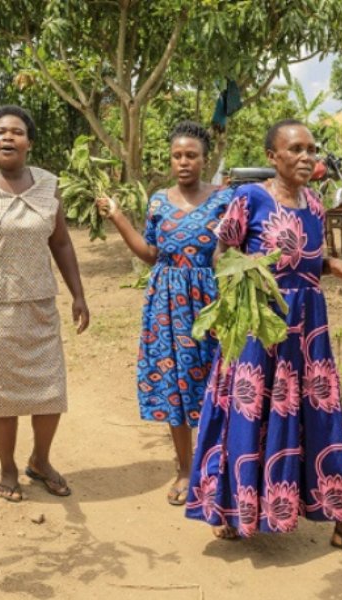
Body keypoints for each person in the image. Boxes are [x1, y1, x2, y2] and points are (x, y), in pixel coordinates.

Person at [185, 119, 342, 566]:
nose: (306, 156)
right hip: (260, 329)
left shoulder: (315, 205)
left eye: (311, 149)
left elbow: (304, 264)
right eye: (295, 149)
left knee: (321, 418)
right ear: (273, 156)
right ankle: (235, 508)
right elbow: (221, 255)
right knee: (248, 415)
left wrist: (333, 265)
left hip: (307, 334)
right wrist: (248, 280)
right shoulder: (251, 198)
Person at [0, 105, 90, 503]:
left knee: (48, 390)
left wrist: (78, 294)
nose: (8, 137)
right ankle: (8, 467)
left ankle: (40, 460)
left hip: (37, 306)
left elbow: (60, 242)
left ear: (29, 142)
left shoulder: (47, 185)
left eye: (17, 132)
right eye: (1, 131)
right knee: (0, 394)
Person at [95, 121, 232, 506]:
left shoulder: (225, 199)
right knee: (176, 384)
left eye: (192, 156)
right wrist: (118, 216)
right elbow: (150, 253)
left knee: (216, 383)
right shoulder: (158, 201)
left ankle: (218, 467)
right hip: (168, 305)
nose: (184, 162)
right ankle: (186, 470)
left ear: (205, 160)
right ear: (170, 160)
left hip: (212, 302)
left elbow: (236, 249)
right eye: (177, 156)